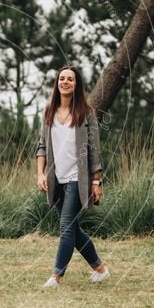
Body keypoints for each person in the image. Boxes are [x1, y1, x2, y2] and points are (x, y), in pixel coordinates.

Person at [35, 64, 109, 288]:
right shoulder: (49, 110)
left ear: (76, 85)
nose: (65, 82)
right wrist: (40, 174)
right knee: (72, 229)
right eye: (62, 78)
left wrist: (96, 181)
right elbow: (41, 146)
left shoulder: (86, 113)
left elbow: (94, 149)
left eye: (70, 79)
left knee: (66, 226)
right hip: (55, 178)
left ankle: (56, 276)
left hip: (78, 178)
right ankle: (99, 268)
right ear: (57, 83)